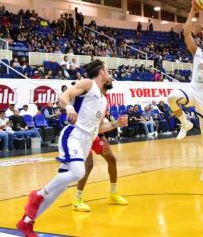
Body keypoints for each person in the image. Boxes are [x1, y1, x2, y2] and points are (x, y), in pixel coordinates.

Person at [16, 60, 128, 236]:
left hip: (86, 140)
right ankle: (37, 194)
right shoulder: (88, 83)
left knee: (60, 187)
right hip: (73, 135)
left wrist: (115, 123)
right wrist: (69, 107)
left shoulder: (103, 100)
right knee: (78, 173)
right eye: (107, 70)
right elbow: (63, 97)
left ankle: (27, 222)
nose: (109, 74)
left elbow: (98, 128)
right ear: (101, 72)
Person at [167, 0, 203, 181]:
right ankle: (185, 123)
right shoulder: (197, 52)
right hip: (192, 90)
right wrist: (192, 10)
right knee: (171, 97)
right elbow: (185, 34)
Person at [72, 91, 128, 212]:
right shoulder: (84, 99)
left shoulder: (103, 101)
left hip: (96, 133)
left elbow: (100, 124)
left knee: (112, 159)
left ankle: (113, 193)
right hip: (83, 134)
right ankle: (77, 200)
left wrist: (114, 123)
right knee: (89, 165)